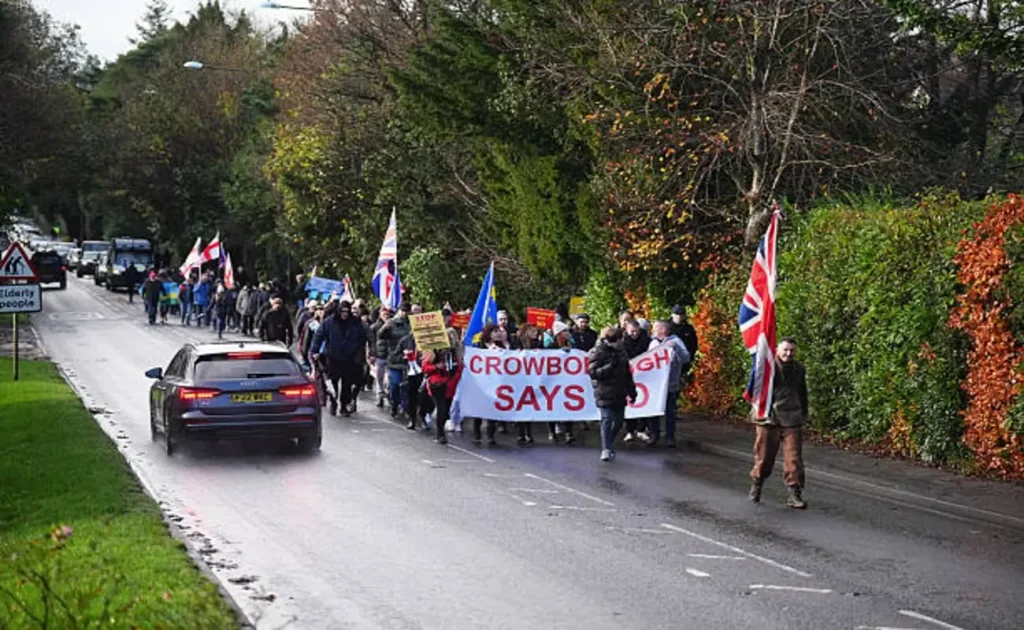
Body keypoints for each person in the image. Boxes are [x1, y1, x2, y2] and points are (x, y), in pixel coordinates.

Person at [749, 338, 809, 509]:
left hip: (792, 417)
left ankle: (794, 493)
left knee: (794, 458)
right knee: (764, 457)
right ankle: (757, 485)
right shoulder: (766, 368)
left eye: (792, 350)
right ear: (776, 350)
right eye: (785, 350)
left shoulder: (799, 369)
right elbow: (754, 388)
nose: (788, 353)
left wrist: (804, 411)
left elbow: (802, 391)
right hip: (769, 417)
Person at [589, 326, 637, 462]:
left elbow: (627, 374)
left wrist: (632, 392)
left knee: (618, 422)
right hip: (604, 391)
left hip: (619, 391)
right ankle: (606, 449)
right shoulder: (598, 351)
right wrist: (610, 367)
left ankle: (608, 442)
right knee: (607, 419)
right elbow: (593, 373)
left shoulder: (622, 352)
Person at [312, 300, 367, 417]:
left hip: (350, 358)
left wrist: (360, 353)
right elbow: (318, 336)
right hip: (333, 357)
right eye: (343, 311)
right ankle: (333, 402)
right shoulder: (329, 322)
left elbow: (363, 338)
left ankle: (343, 406)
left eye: (347, 312)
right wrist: (315, 351)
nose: (345, 314)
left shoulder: (356, 323)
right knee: (332, 383)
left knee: (347, 384)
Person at [647, 320, 691, 448]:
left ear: (663, 329)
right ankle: (654, 434)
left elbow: (686, 358)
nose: (653, 330)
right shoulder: (653, 343)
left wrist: (675, 348)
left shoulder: (676, 342)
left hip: (670, 384)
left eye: (656, 328)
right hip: (656, 385)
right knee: (653, 411)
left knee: (670, 412)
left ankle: (670, 436)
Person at [378, 304, 413, 419]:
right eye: (403, 310)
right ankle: (394, 404)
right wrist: (385, 327)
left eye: (407, 311)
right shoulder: (392, 323)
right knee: (395, 385)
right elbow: (381, 336)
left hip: (409, 360)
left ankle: (406, 408)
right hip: (395, 359)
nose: (404, 313)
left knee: (407, 387)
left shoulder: (412, 323)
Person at [545, 321, 577, 444]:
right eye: (564, 331)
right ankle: (552, 431)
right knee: (552, 406)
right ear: (558, 333)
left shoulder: (572, 345)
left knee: (568, 406)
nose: (567, 333)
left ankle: (569, 432)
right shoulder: (551, 346)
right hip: (553, 381)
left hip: (567, 381)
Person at [422, 345, 461, 445]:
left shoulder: (455, 354)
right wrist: (436, 367)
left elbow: (460, 368)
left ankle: (440, 425)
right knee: (441, 408)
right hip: (437, 384)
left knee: (446, 409)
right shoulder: (433, 352)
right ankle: (440, 434)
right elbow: (425, 368)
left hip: (451, 384)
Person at [621, 319, 651, 442]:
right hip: (629, 376)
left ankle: (641, 429)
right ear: (627, 331)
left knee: (644, 401)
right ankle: (629, 430)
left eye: (636, 331)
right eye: (632, 331)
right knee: (630, 403)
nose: (635, 334)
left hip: (644, 375)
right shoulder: (622, 342)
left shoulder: (647, 341)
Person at [371, 306, 392, 408]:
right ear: (380, 315)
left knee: (389, 378)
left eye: (388, 315)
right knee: (379, 378)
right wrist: (371, 354)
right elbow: (371, 342)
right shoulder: (375, 327)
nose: (386, 316)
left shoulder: (393, 325)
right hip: (380, 356)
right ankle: (380, 396)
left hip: (391, 356)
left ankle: (389, 395)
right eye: (384, 314)